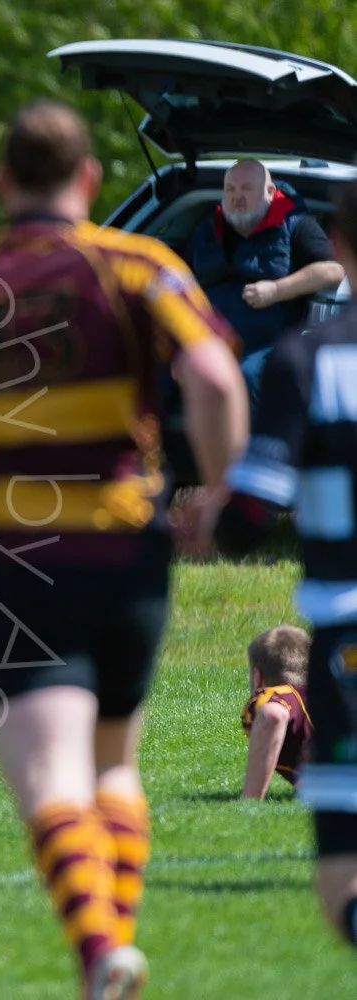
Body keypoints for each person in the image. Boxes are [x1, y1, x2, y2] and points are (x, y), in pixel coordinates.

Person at [0, 100, 247, 999]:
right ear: (89, 180)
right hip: (131, 544)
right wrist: (223, 496)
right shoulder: (140, 264)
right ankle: (109, 954)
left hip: (21, 555)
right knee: (114, 761)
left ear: (3, 181)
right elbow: (216, 375)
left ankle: (97, 950)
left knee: (48, 775)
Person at [212, 179, 357, 951]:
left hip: (343, 622)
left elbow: (250, 514)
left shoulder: (309, 359)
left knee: (340, 881)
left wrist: (212, 522)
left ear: (339, 246)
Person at [187, 159, 344, 407]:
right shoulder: (206, 230)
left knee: (246, 376)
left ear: (270, 193)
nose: (237, 197)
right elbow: (179, 276)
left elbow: (334, 269)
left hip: (265, 343)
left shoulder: (296, 223)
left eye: (246, 188)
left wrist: (276, 290)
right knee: (159, 368)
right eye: (230, 189)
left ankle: (247, 445)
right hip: (210, 336)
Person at [240, 625, 314, 799]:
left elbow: (272, 714)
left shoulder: (278, 696)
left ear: (257, 677)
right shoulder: (334, 692)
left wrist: (250, 798)